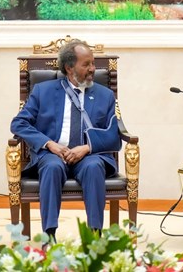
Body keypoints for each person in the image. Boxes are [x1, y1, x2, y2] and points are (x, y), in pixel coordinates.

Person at [11, 39, 121, 241]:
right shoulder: (43, 91)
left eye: (93, 63)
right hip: (53, 155)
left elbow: (114, 134)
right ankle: (49, 236)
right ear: (70, 68)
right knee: (52, 167)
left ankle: (95, 237)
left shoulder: (105, 95)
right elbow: (18, 124)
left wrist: (87, 148)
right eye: (86, 64)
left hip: (88, 155)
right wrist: (49, 144)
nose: (93, 69)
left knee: (94, 166)